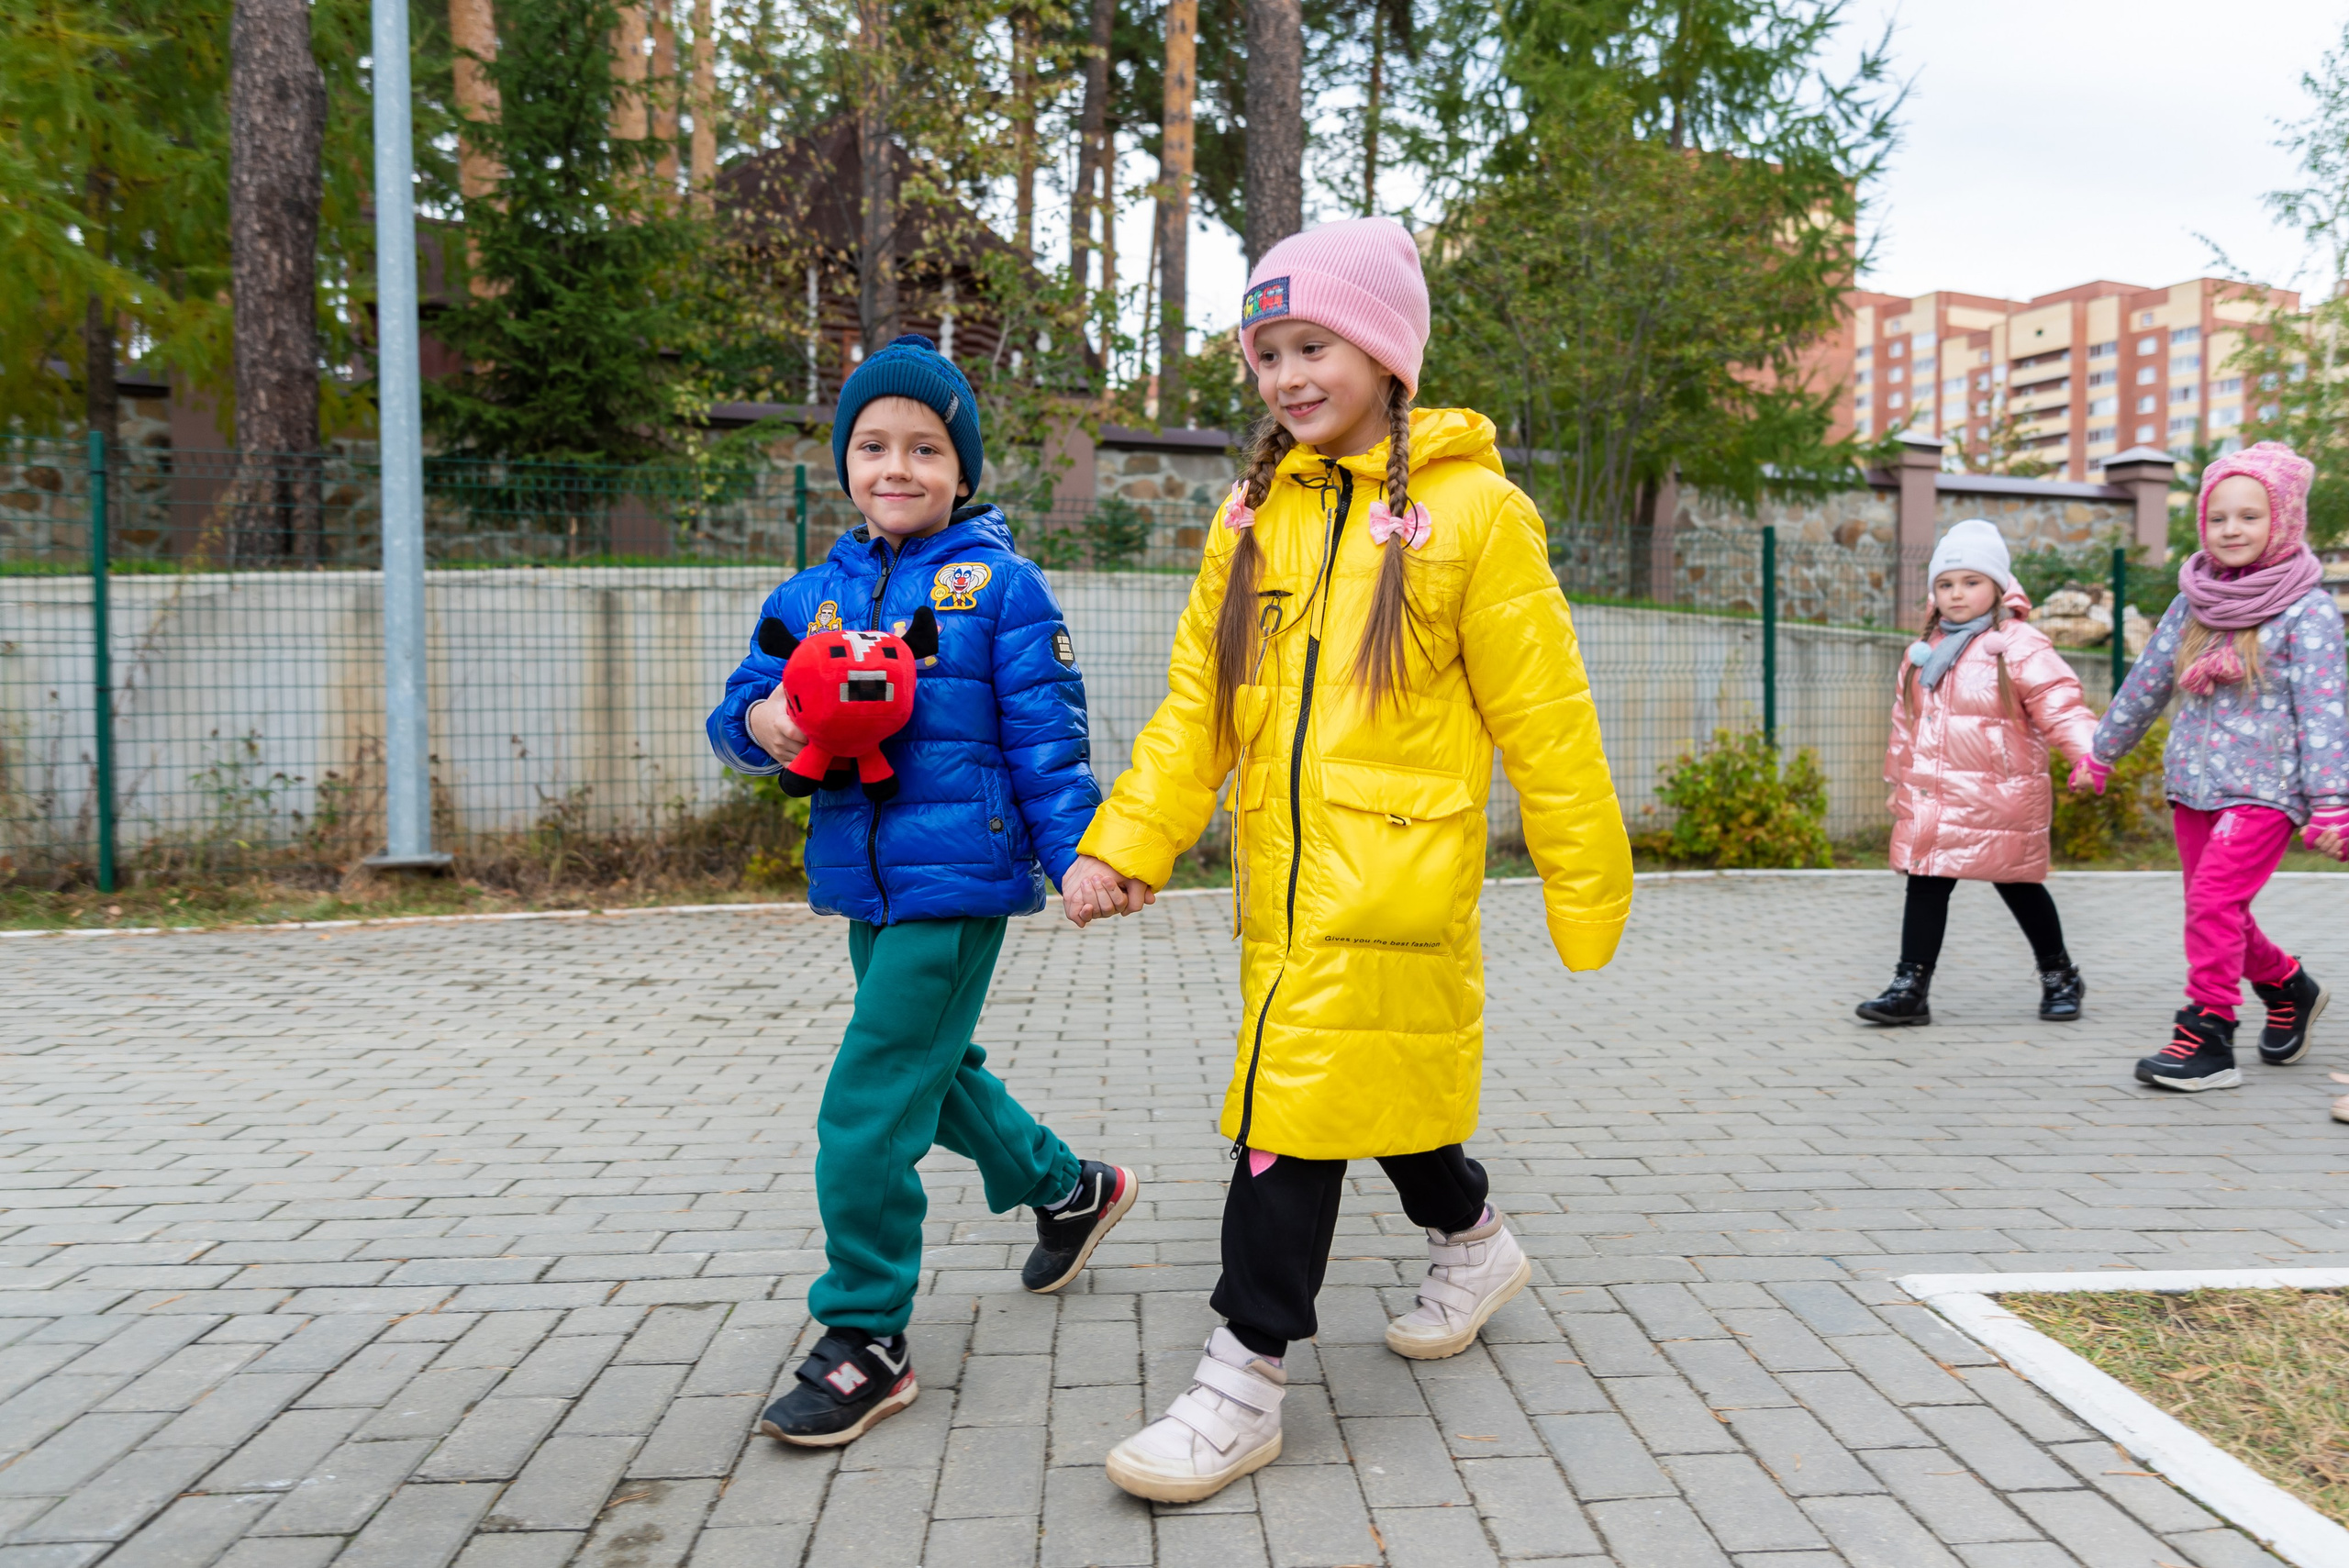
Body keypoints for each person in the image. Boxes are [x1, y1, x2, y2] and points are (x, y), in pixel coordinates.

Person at [1056, 217, 1634, 1503]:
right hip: (1285, 886)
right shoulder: (1254, 512)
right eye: (1266, 353)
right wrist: (1128, 841)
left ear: (1385, 348)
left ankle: (1243, 1378)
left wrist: (1586, 878)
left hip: (1396, 890)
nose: (1286, 376)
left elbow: (1548, 715)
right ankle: (1472, 1238)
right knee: (1363, 1095)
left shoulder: (1477, 516)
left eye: (1311, 343)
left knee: (1289, 1112)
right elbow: (1197, 707)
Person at [707, 335, 1136, 1446]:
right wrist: (768, 722)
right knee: (931, 1078)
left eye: (925, 447)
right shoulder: (813, 591)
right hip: (864, 880)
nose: (896, 466)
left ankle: (867, 1335)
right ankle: (1068, 1188)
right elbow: (740, 705)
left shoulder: (1001, 586)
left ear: (963, 466)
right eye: (872, 444)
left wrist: (1082, 851)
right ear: (846, 459)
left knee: (865, 1107)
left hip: (960, 881)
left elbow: (1049, 740)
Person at [2081, 441, 2348, 1092]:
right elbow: (2147, 682)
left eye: (2249, 516)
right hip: (2195, 787)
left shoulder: (2306, 610)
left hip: (2265, 790)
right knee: (2219, 910)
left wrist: (2333, 802)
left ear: (2283, 520)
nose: (2232, 530)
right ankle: (2289, 985)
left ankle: (2207, 1035)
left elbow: (2324, 711)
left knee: (2211, 901)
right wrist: (2102, 749)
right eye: (2219, 517)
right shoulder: (2193, 599)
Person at [1856, 518, 2099, 1028]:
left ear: (1997, 586)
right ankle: (1910, 986)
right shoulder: (1921, 654)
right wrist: (1899, 783)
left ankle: (2059, 974)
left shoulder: (2019, 645)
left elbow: (2061, 704)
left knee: (2018, 885)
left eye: (1970, 582)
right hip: (1934, 794)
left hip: (2001, 794)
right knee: (1925, 883)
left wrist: (2088, 755)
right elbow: (1906, 725)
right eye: (1945, 584)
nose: (1957, 594)